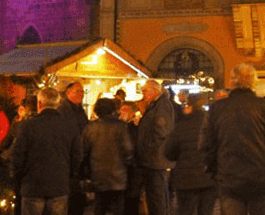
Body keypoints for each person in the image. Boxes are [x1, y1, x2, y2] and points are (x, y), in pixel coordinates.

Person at [198, 64, 265, 215]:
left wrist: (215, 170)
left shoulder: (217, 109)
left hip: (229, 178)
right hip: (260, 178)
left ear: (232, 82)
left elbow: (206, 145)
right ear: (253, 82)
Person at [9, 87, 83, 215]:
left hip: (32, 186)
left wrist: (18, 176)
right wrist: (69, 174)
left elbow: (18, 155)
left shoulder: (27, 126)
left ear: (39, 103)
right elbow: (77, 155)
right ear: (58, 104)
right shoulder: (70, 126)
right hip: (59, 185)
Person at [162, 93, 215, 215]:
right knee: (206, 211)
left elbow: (168, 152)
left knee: (186, 211)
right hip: (209, 178)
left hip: (186, 179)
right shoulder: (212, 126)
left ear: (189, 106)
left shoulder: (181, 126)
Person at [81, 96, 133, 215]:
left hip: (98, 175)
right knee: (117, 208)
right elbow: (128, 150)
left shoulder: (91, 127)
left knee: (99, 206)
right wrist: (127, 164)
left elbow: (83, 151)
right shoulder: (121, 127)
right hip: (118, 176)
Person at [135, 80, 175, 215]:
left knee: (157, 196)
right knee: (154, 195)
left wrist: (148, 148)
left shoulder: (162, 105)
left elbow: (161, 131)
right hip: (153, 159)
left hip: (155, 159)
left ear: (155, 91)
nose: (143, 94)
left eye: (145, 91)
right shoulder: (156, 105)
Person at [58, 82, 90, 215]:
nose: (81, 94)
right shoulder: (63, 110)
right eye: (77, 91)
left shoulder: (79, 109)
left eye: (82, 92)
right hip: (69, 158)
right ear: (68, 93)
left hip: (79, 157)